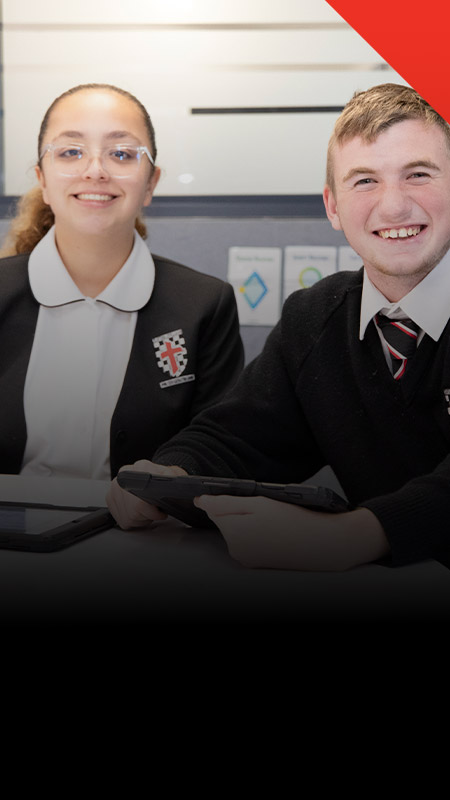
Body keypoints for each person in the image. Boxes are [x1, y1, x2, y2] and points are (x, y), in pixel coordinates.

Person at [107, 82, 450, 571]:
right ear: (333, 207)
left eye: (418, 174)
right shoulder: (314, 318)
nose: (393, 206)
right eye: (364, 181)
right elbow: (239, 437)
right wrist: (167, 476)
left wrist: (355, 534)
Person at [0, 83, 243, 479]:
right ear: (42, 179)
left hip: (145, 534)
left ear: (150, 183)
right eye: (71, 151)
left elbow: (219, 446)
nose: (95, 170)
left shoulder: (205, 305)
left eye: (121, 154)